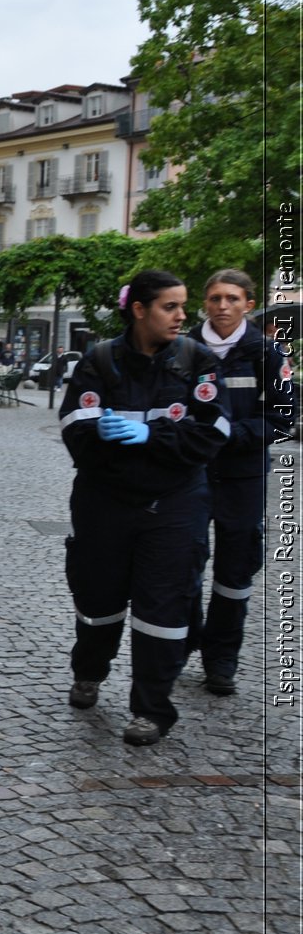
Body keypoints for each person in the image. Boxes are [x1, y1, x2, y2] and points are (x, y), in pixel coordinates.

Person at [59, 270, 230, 746]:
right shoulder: (97, 363)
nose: (182, 316)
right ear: (139, 309)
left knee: (165, 609)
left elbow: (213, 433)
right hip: (105, 503)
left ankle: (151, 710)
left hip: (175, 504)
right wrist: (100, 435)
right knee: (98, 602)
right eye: (169, 307)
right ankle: (89, 671)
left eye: (183, 306)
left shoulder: (197, 362)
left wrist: (151, 435)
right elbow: (75, 428)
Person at [185, 270, 294, 694]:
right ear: (205, 302)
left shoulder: (266, 353)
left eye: (232, 298)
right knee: (182, 563)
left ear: (249, 304)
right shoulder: (183, 347)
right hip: (190, 474)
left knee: (235, 573)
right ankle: (181, 645)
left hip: (242, 476)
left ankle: (221, 659)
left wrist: (232, 434)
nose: (222, 306)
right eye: (215, 298)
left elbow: (283, 418)